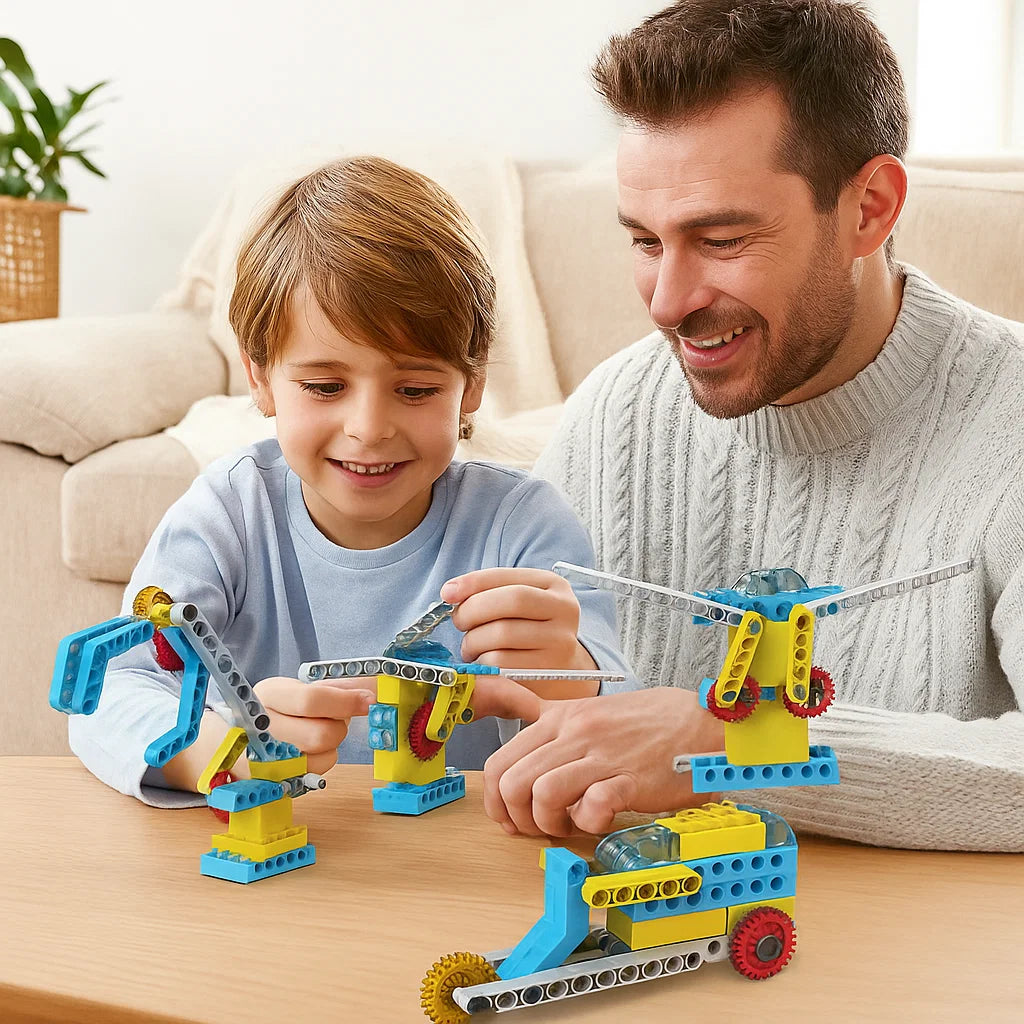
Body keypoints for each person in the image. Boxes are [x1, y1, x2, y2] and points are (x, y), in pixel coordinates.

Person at [483, 0, 1024, 852]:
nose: (667, 304)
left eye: (723, 239)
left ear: (870, 208)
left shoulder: (1010, 425)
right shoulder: (616, 412)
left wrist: (734, 746)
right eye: (646, 242)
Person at [69, 155, 637, 807]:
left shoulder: (524, 524)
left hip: (466, 848)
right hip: (286, 841)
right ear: (259, 378)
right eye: (324, 386)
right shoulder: (228, 512)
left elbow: (622, 721)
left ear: (473, 385)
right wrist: (228, 753)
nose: (368, 429)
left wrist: (569, 678)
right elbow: (108, 692)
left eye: (415, 389)